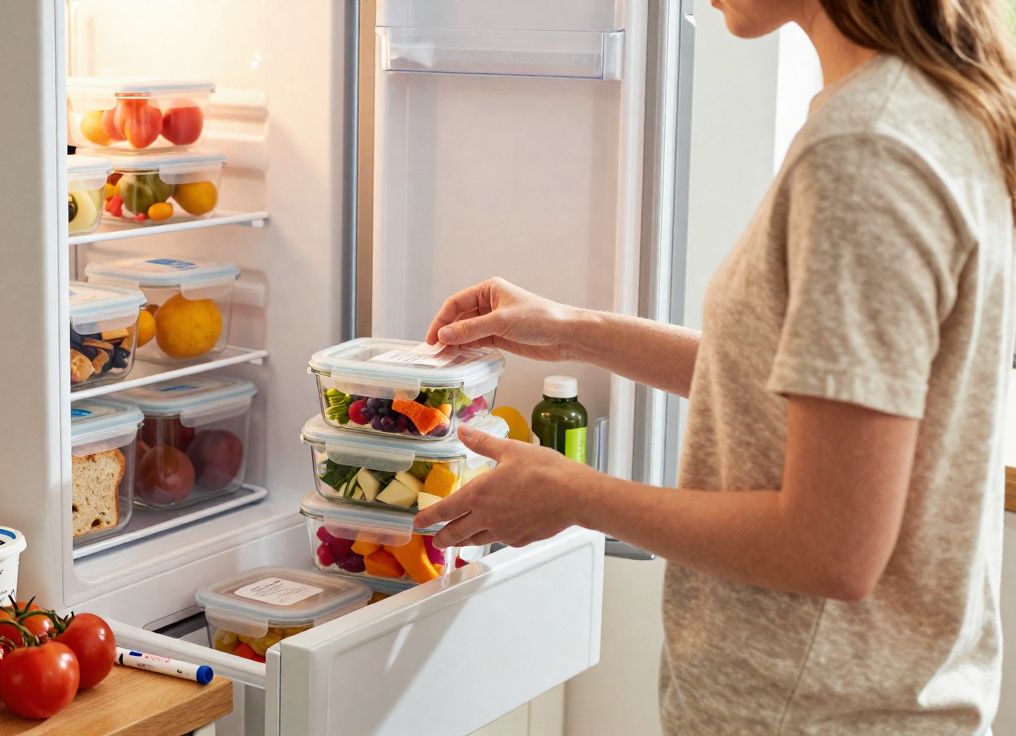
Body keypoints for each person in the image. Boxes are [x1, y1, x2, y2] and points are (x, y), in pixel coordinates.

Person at [412, 1, 1016, 733]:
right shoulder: (924, 105)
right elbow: (804, 391)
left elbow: (832, 549)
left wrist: (574, 494)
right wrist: (573, 332)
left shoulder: (864, 151)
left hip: (819, 716)